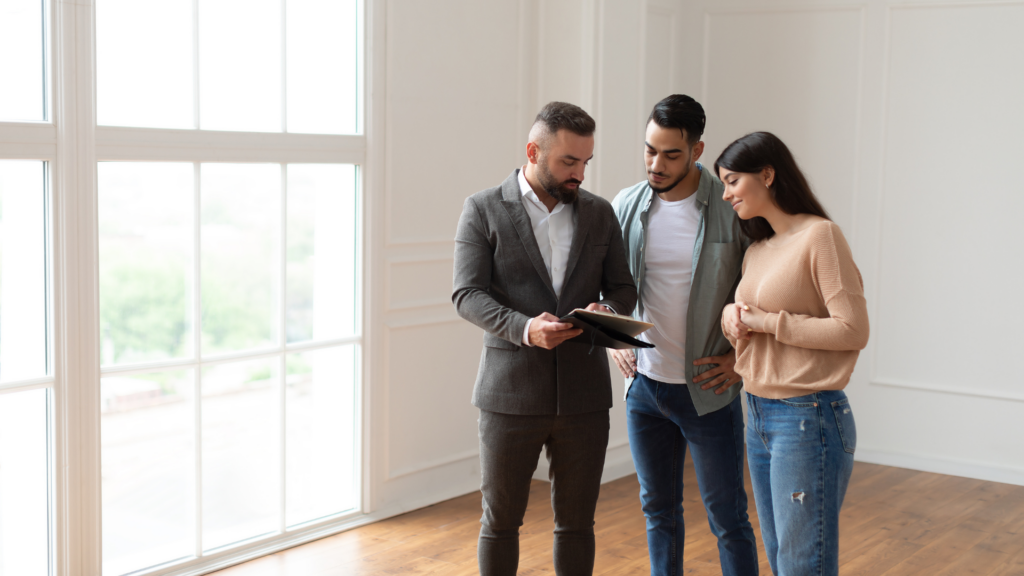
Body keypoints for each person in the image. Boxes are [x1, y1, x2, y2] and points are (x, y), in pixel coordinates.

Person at [452, 101, 637, 576]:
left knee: (577, 524)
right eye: (568, 162)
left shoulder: (599, 213)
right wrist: (525, 329)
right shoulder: (483, 209)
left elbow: (623, 287)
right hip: (508, 392)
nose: (579, 173)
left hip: (584, 397)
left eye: (585, 162)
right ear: (534, 151)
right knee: (501, 522)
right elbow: (467, 294)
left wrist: (608, 311)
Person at [610, 94, 758, 576]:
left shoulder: (731, 207)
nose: (656, 163)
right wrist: (614, 337)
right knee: (659, 513)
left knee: (728, 519)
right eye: (650, 150)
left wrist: (740, 362)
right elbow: (611, 287)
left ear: (697, 150)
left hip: (708, 391)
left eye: (671, 153)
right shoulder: (626, 206)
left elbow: (766, 293)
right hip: (645, 389)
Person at [717, 131, 869, 576]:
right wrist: (732, 316)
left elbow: (852, 329)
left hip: (807, 416)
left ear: (767, 174)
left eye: (732, 181)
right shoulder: (758, 248)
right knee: (784, 558)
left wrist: (765, 321)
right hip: (759, 411)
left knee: (804, 565)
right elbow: (754, 322)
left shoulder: (821, 236)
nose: (726, 194)